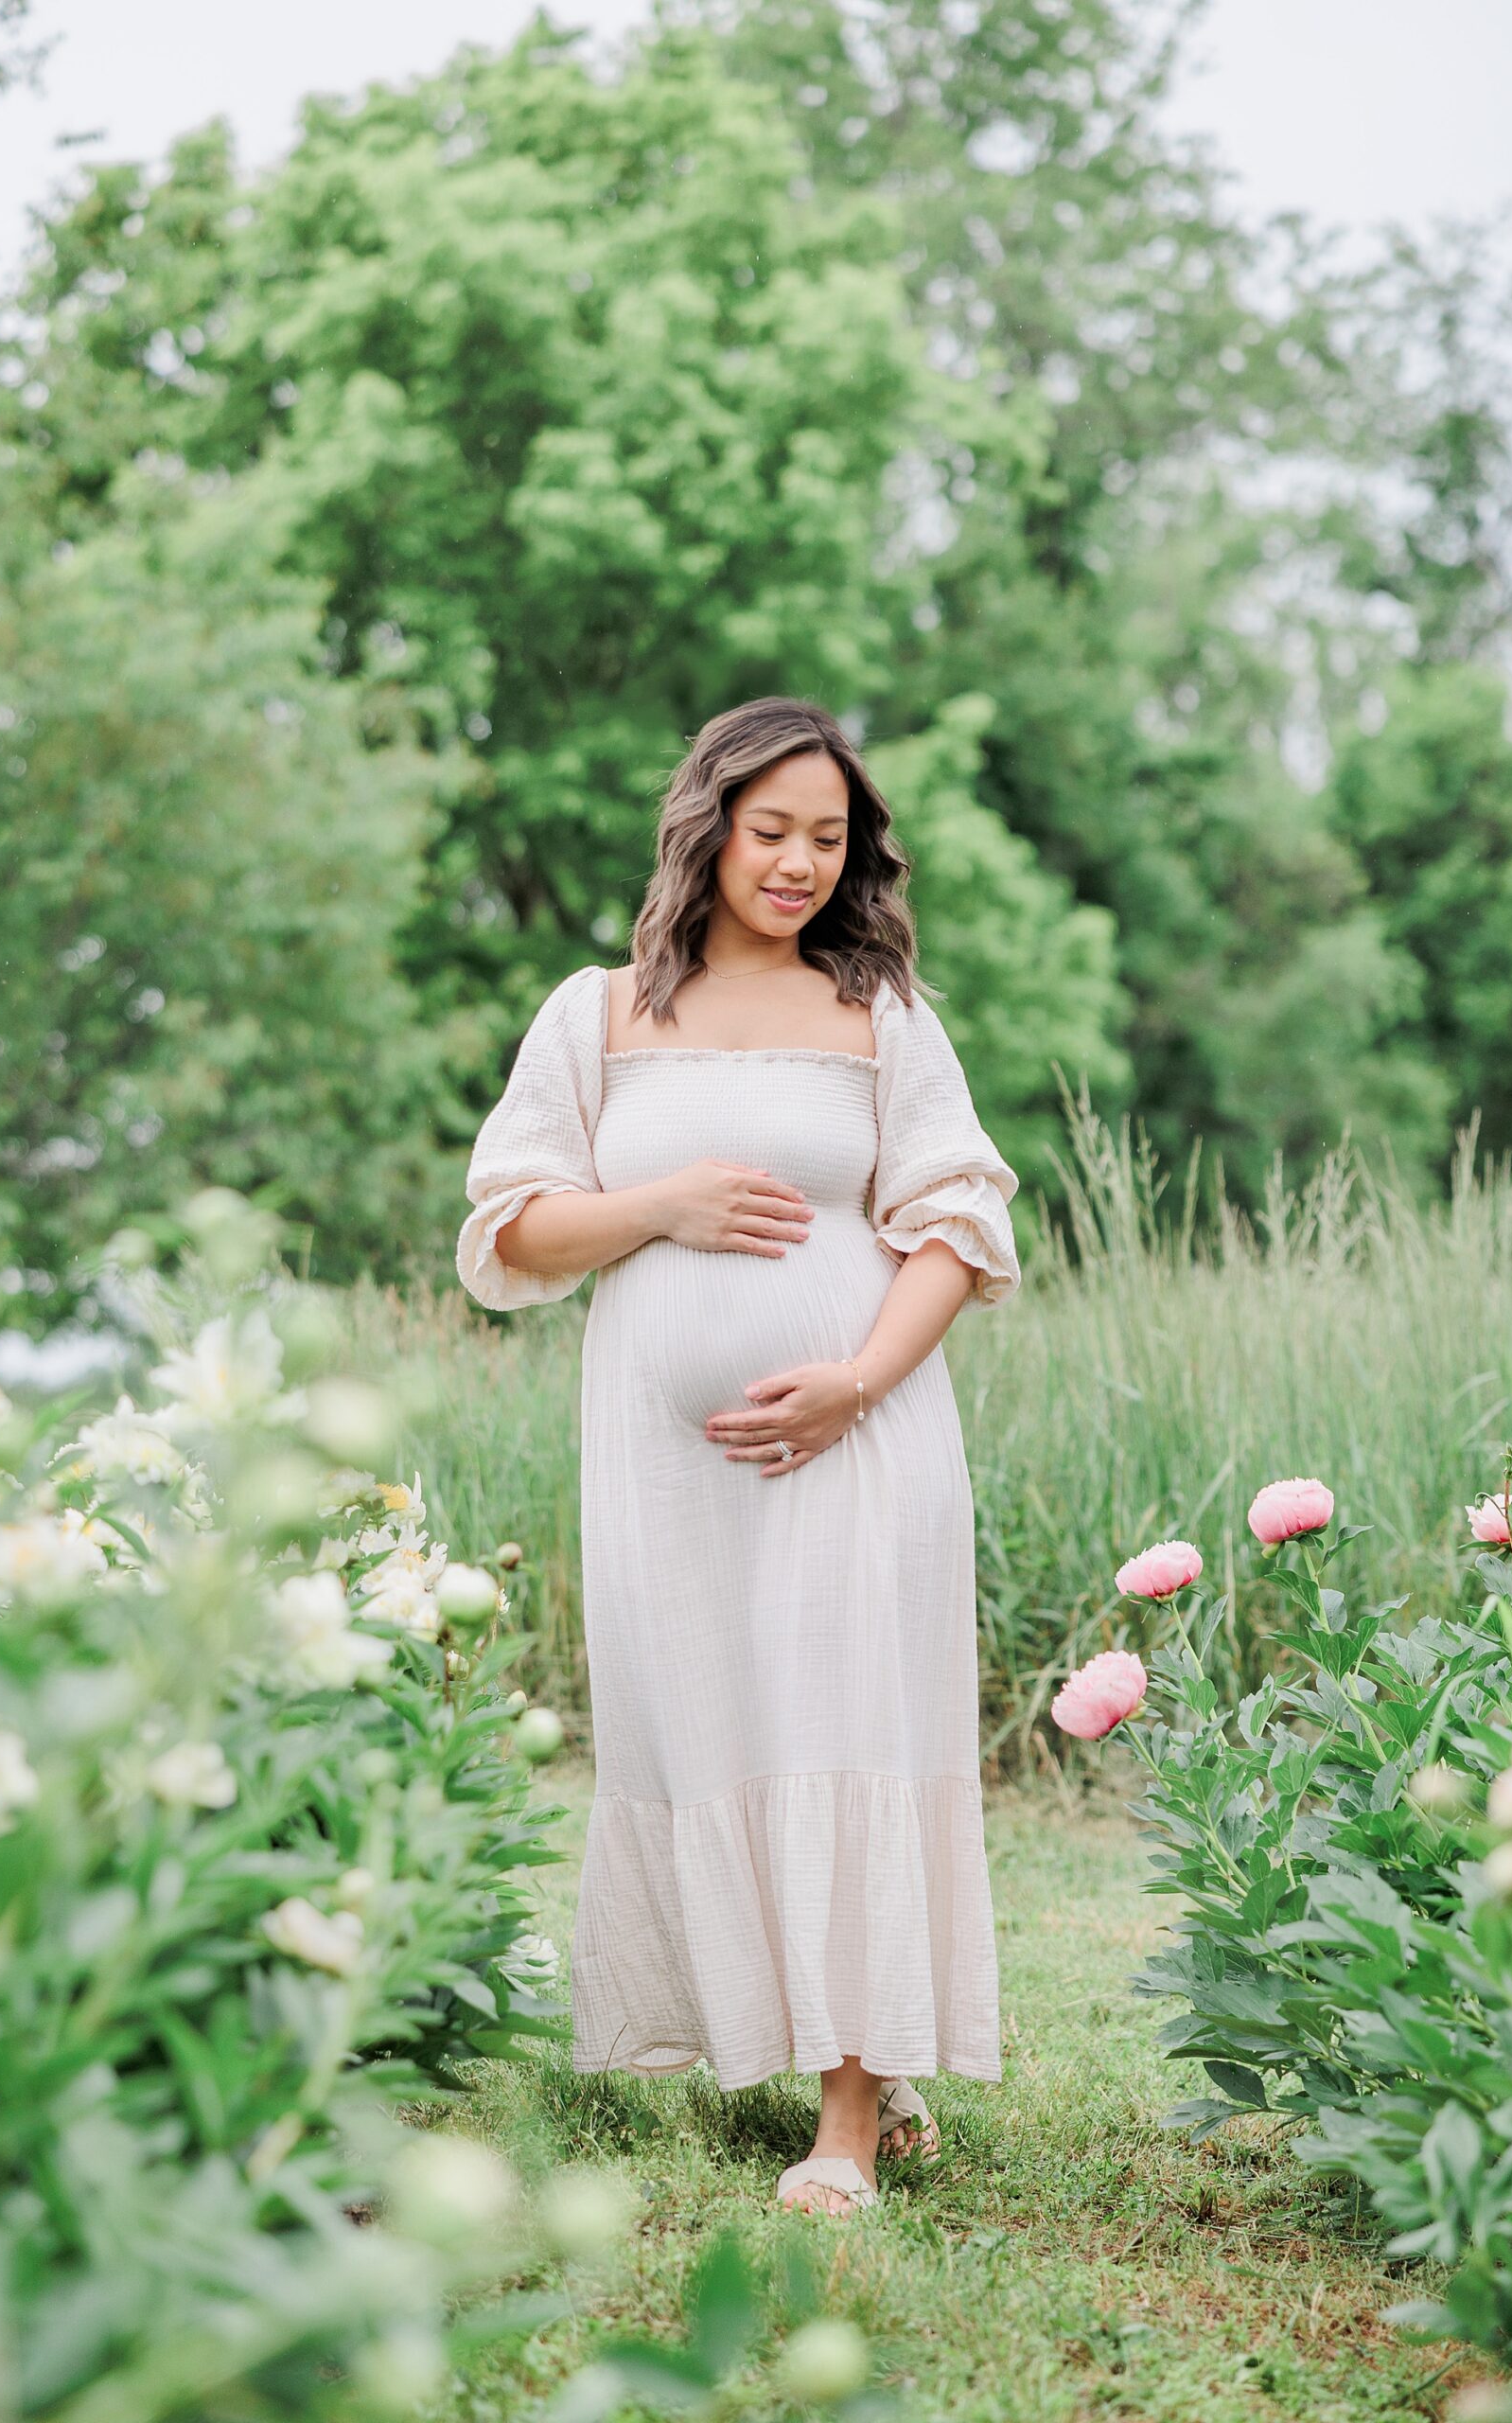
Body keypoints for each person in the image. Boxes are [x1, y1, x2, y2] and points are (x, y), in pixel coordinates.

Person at [456, 696, 1021, 2216]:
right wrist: (666, 1204)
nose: (798, 864)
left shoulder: (882, 1014)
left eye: (827, 839)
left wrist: (851, 1380)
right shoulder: (597, 1014)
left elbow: (957, 1226)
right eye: (771, 832)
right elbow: (508, 1230)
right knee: (717, 1725)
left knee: (854, 1722)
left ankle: (848, 2112)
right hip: (669, 1470)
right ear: (705, 829)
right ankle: (826, 2043)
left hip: (861, 1440)